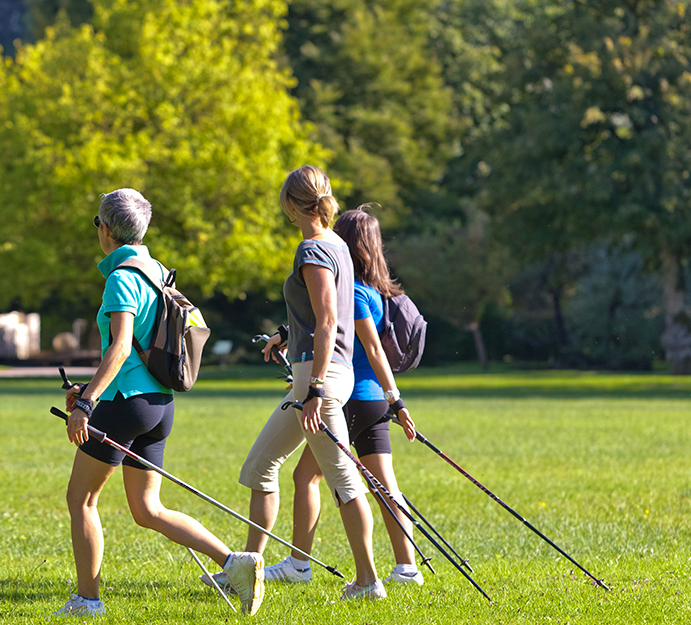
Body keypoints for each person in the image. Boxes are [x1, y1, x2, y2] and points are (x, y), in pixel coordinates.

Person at [55, 189, 266, 617]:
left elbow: (118, 350)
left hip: (124, 403)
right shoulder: (155, 271)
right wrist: (90, 388)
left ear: (107, 229)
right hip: (158, 404)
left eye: (96, 223)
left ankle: (88, 601)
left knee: (82, 500)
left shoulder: (120, 278)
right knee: (148, 508)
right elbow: (136, 350)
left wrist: (87, 402)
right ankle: (234, 562)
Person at [236, 165, 387, 601]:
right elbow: (321, 315)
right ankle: (246, 569)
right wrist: (287, 335)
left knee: (343, 479)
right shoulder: (338, 244)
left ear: (289, 204)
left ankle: (368, 581)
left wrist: (315, 388)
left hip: (318, 377)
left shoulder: (312, 249)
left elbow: (327, 320)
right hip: (325, 371)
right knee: (261, 466)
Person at [259, 206, 422, 589]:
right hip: (371, 401)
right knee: (383, 485)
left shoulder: (356, 293)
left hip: (352, 400)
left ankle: (300, 563)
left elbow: (357, 340)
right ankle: (406, 567)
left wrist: (395, 399)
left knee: (314, 478)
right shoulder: (374, 293)